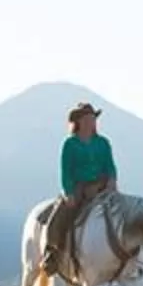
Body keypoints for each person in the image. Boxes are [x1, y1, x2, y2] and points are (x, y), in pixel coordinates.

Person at [47, 101, 117, 276]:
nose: (90, 122)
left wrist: (112, 180)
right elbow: (65, 171)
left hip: (102, 186)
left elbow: (110, 165)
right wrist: (69, 192)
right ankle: (53, 253)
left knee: (121, 213)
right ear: (78, 122)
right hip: (79, 187)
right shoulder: (70, 144)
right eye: (86, 119)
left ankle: (127, 255)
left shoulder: (103, 143)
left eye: (92, 119)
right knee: (60, 215)